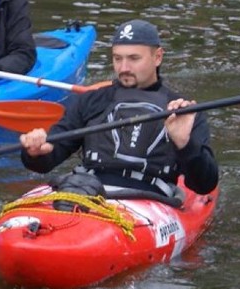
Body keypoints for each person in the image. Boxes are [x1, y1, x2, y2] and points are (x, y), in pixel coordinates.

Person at [19, 19, 218, 201]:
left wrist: (185, 144)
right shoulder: (92, 100)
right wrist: (36, 152)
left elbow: (204, 184)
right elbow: (46, 162)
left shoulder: (182, 110)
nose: (124, 67)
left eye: (133, 58)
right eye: (117, 58)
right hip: (88, 189)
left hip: (149, 198)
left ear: (157, 57)